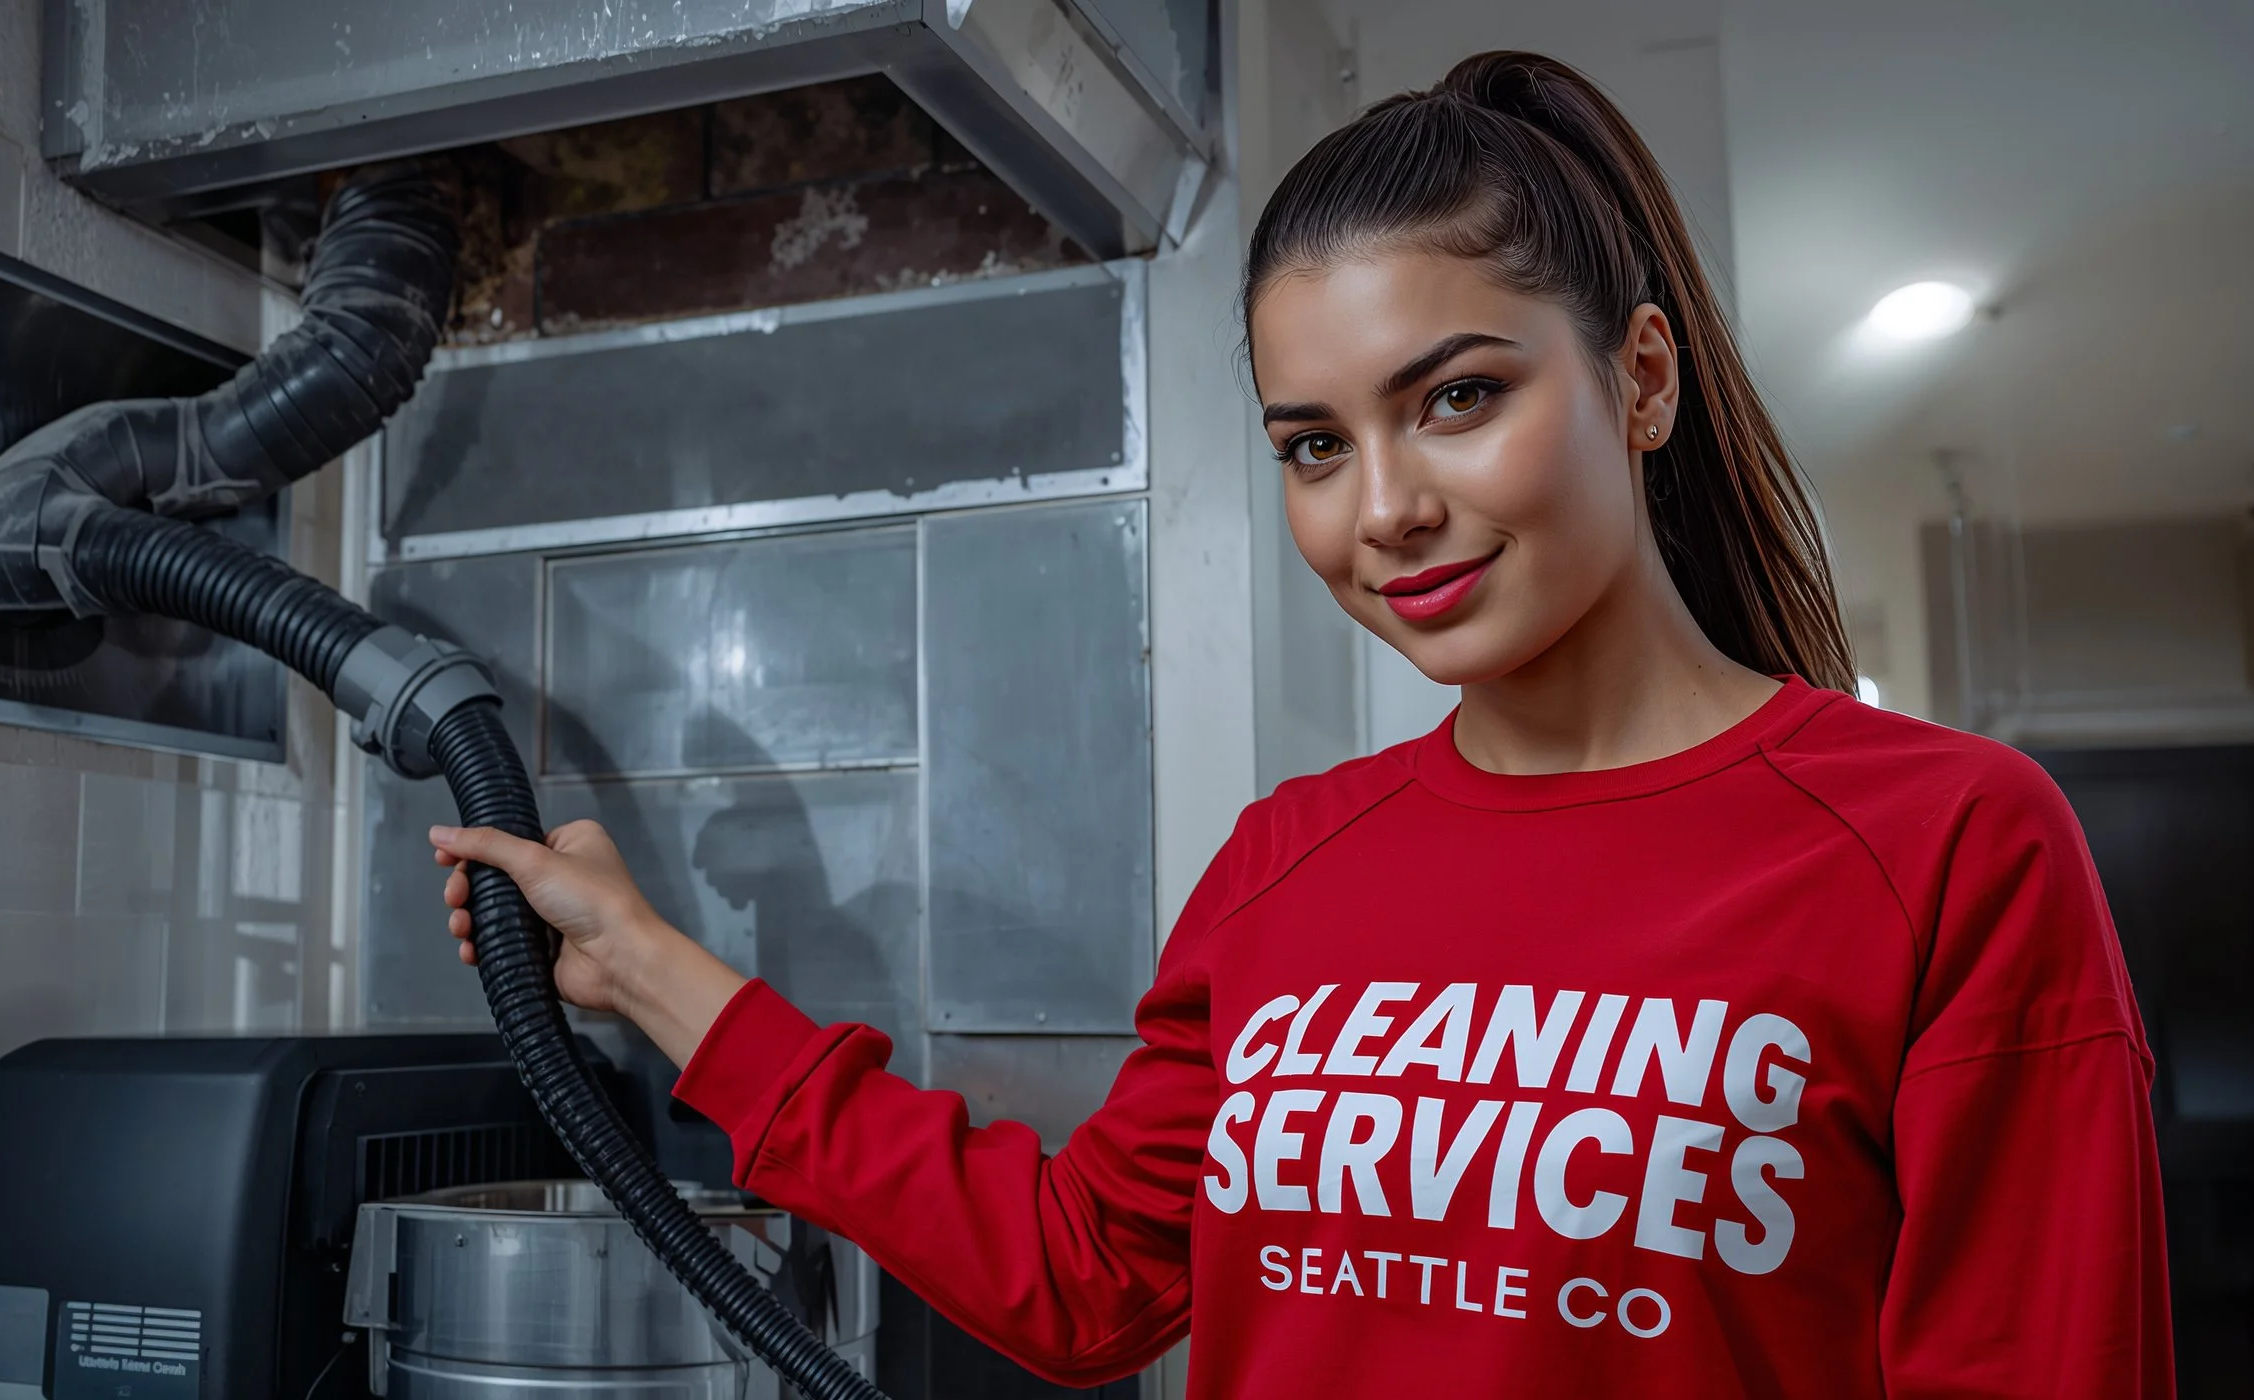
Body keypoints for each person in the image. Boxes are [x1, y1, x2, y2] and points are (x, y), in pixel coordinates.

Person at [429, 51, 2171, 1399]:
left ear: (1641, 380)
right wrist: (649, 962)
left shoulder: (1946, 842)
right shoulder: (1289, 867)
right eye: (1314, 446)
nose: (1385, 508)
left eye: (1460, 399)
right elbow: (1081, 1272)